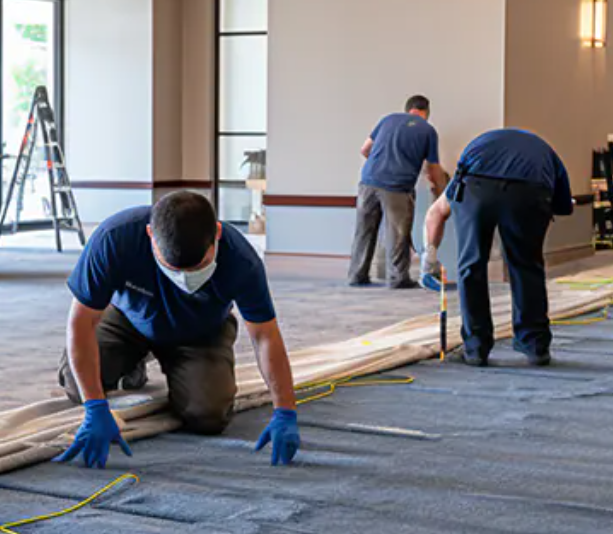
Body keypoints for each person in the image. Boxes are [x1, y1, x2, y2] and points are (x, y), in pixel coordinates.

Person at [55, 192, 301, 468]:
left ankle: (180, 368)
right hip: (130, 319)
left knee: (207, 415)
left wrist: (285, 411)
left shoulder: (241, 260)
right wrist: (95, 408)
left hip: (201, 332)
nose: (184, 278)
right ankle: (133, 361)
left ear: (217, 234)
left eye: (199, 267)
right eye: (172, 267)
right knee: (77, 384)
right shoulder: (115, 238)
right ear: (150, 235)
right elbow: (81, 321)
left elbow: (265, 335)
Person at [421, 129, 574, 367]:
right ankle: (535, 346)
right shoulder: (546, 153)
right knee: (527, 265)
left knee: (471, 264)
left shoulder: (465, 170)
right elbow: (564, 206)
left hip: (476, 183)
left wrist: (429, 257)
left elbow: (435, 213)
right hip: (530, 187)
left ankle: (475, 348)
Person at [348, 95, 449, 288]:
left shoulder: (387, 120)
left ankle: (356, 275)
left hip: (368, 182)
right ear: (426, 112)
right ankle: (397, 278)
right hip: (397, 187)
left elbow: (365, 149)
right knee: (398, 233)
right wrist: (441, 191)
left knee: (364, 230)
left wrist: (382, 162)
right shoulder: (427, 130)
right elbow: (433, 167)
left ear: (407, 109)